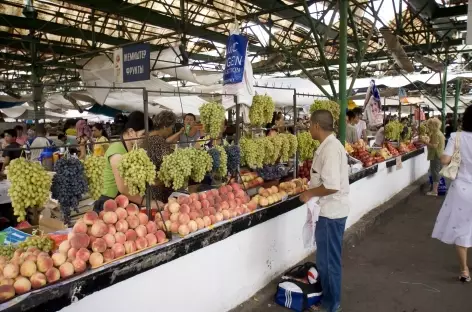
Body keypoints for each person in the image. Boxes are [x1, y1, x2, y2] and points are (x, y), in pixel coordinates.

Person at [299, 110, 349, 312]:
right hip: (331, 212)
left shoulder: (329, 149)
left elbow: (332, 185)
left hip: (330, 214)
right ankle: (330, 301)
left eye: (310, 125)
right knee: (328, 260)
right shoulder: (330, 146)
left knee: (328, 263)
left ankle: (331, 306)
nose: (309, 129)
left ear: (317, 126)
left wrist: (309, 193)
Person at [432, 105, 472, 282]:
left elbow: (445, 160)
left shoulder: (456, 137)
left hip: (462, 189)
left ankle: (464, 271)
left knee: (461, 229)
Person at [95, 111, 159, 212]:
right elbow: (124, 189)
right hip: (111, 205)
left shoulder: (133, 150)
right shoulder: (116, 152)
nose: (144, 139)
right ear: (130, 132)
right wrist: (148, 202)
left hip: (126, 202)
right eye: (143, 135)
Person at [147, 111, 177, 202]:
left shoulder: (145, 138)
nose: (172, 130)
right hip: (157, 191)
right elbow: (168, 164)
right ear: (164, 127)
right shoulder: (159, 142)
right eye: (171, 127)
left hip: (145, 189)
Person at [421, 118, 445, 196]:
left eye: (429, 125)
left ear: (433, 125)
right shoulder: (439, 133)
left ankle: (434, 191)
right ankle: (435, 188)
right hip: (440, 154)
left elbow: (434, 146)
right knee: (435, 171)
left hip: (436, 155)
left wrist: (425, 142)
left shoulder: (436, 134)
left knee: (435, 172)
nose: (428, 127)